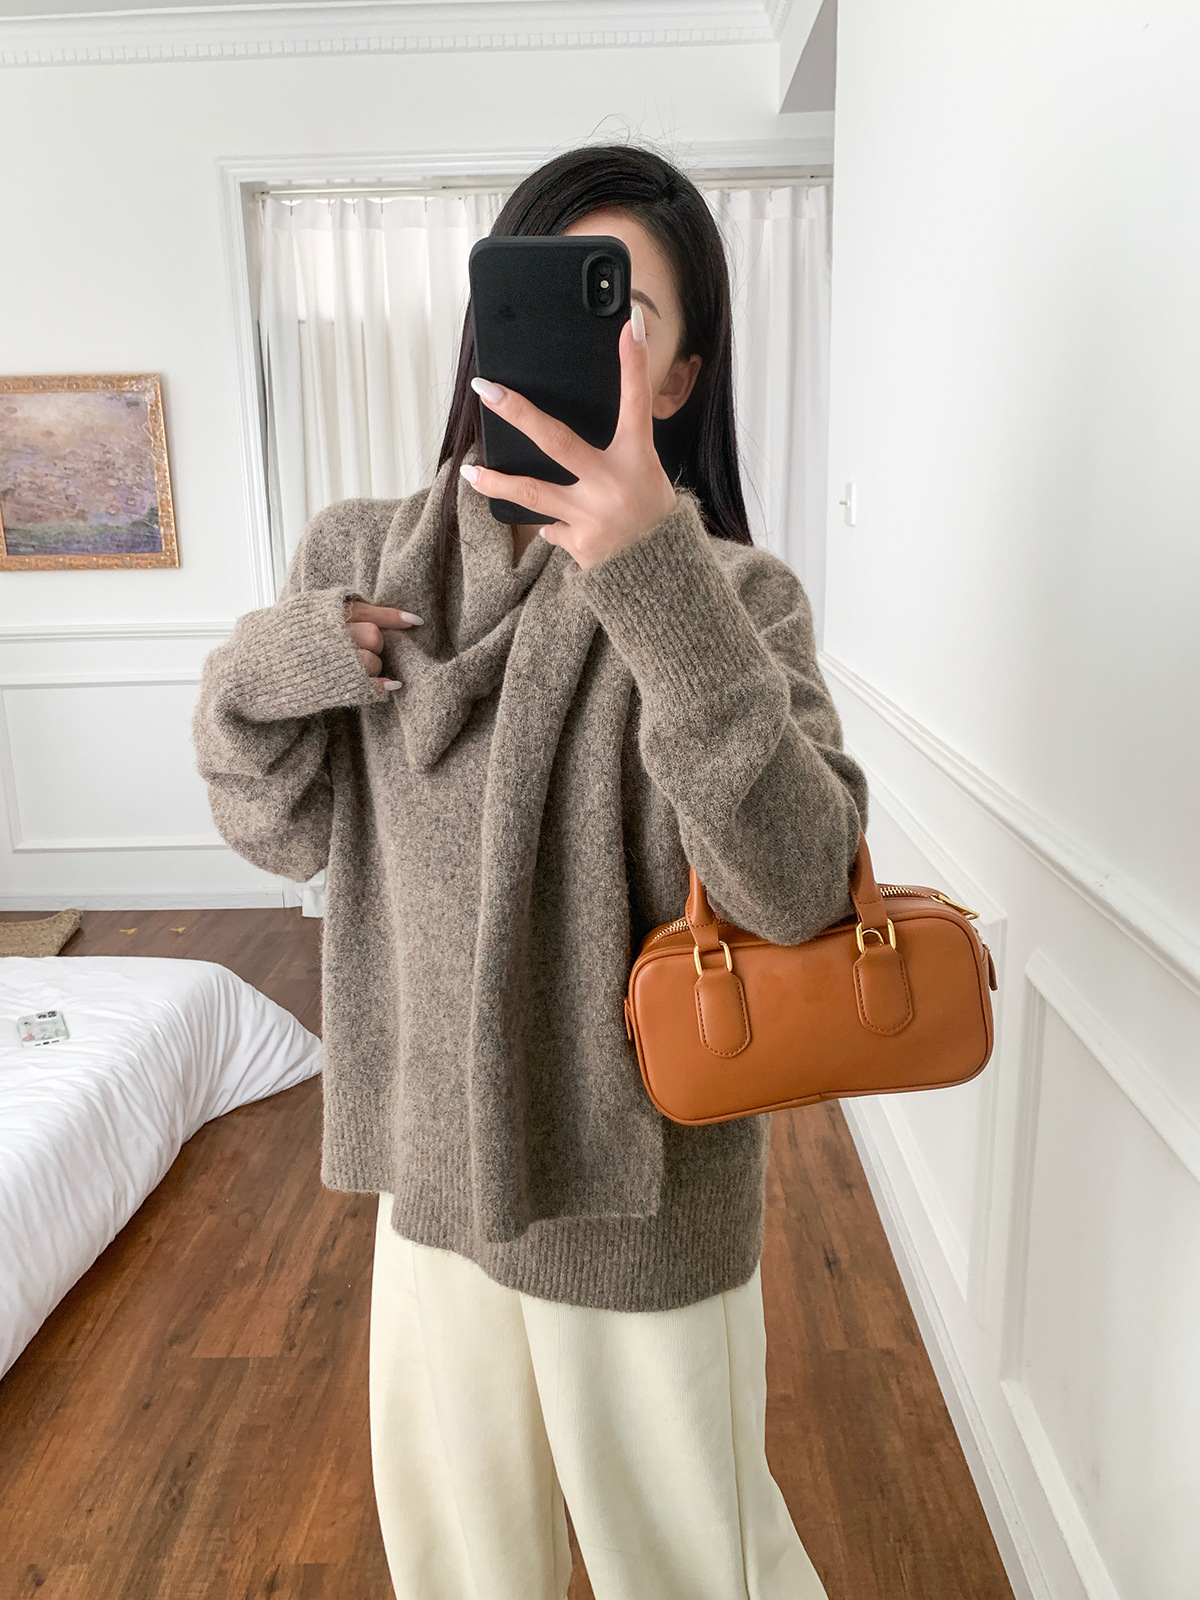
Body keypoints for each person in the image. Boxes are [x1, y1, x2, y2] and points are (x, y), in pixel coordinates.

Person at [193, 142, 869, 1600]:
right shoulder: (361, 561)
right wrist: (269, 667)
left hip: (645, 1199)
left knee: (698, 1567)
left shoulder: (735, 594)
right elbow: (276, 830)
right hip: (434, 1178)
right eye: (548, 293)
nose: (585, 337)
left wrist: (652, 577)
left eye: (625, 308)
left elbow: (800, 886)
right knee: (461, 1567)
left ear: (678, 380)